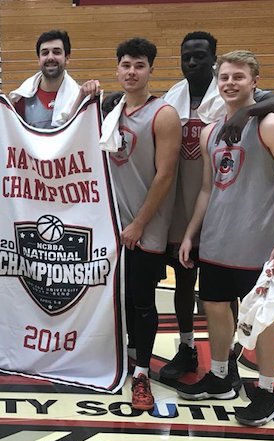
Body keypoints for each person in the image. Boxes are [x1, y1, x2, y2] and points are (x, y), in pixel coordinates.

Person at [158, 32, 274, 383]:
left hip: (256, 241)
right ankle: (218, 374)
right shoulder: (208, 129)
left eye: (238, 77)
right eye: (226, 77)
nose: (230, 83)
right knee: (214, 307)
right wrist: (191, 234)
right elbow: (207, 188)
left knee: (262, 315)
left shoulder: (272, 123)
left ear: (254, 81)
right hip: (213, 235)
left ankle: (265, 390)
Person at [104, 38, 181, 411]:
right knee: (112, 299)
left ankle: (141, 374)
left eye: (139, 65)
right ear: (117, 70)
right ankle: (120, 359)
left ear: (150, 70)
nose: (131, 72)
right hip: (110, 224)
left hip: (144, 228)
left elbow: (165, 176)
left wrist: (138, 223)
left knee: (141, 301)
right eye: (125, 65)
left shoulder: (163, 114)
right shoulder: (110, 111)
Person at [9, 30, 99, 128]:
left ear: (67, 58)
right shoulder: (21, 99)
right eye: (45, 53)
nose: (50, 57)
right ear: (39, 60)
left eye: (56, 52)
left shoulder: (80, 97)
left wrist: (87, 95)